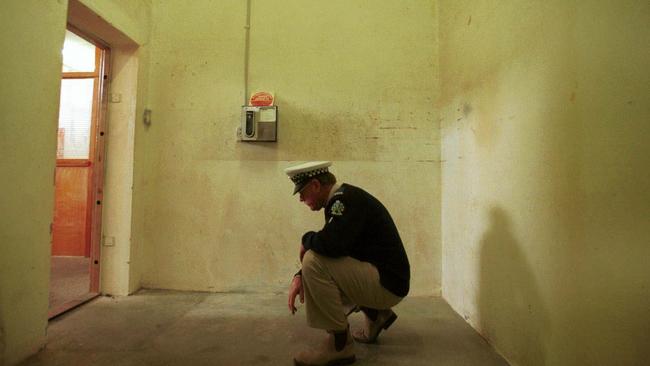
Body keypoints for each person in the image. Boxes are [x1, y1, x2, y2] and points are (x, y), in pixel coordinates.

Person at [284, 161, 410, 366]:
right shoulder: (343, 199)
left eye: (302, 192)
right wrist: (299, 275)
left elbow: (329, 247)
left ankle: (339, 345)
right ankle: (376, 314)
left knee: (312, 261)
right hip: (387, 280)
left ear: (316, 185)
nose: (300, 199)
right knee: (314, 263)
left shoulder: (345, 201)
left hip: (388, 285)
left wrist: (305, 239)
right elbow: (335, 250)